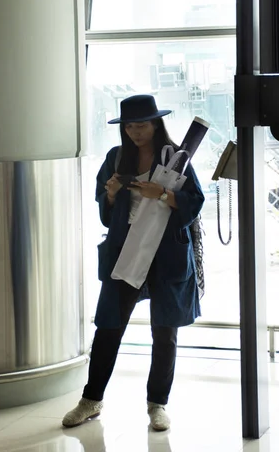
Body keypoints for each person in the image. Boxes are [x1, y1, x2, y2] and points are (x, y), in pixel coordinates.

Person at [63, 94, 204, 431]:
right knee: (109, 326)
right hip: (125, 251)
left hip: (166, 252)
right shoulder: (115, 158)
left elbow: (194, 201)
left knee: (164, 332)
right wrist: (111, 194)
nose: (135, 131)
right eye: (129, 126)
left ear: (156, 123)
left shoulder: (177, 157)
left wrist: (165, 195)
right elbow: (105, 210)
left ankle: (158, 404)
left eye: (141, 124)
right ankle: (91, 399)